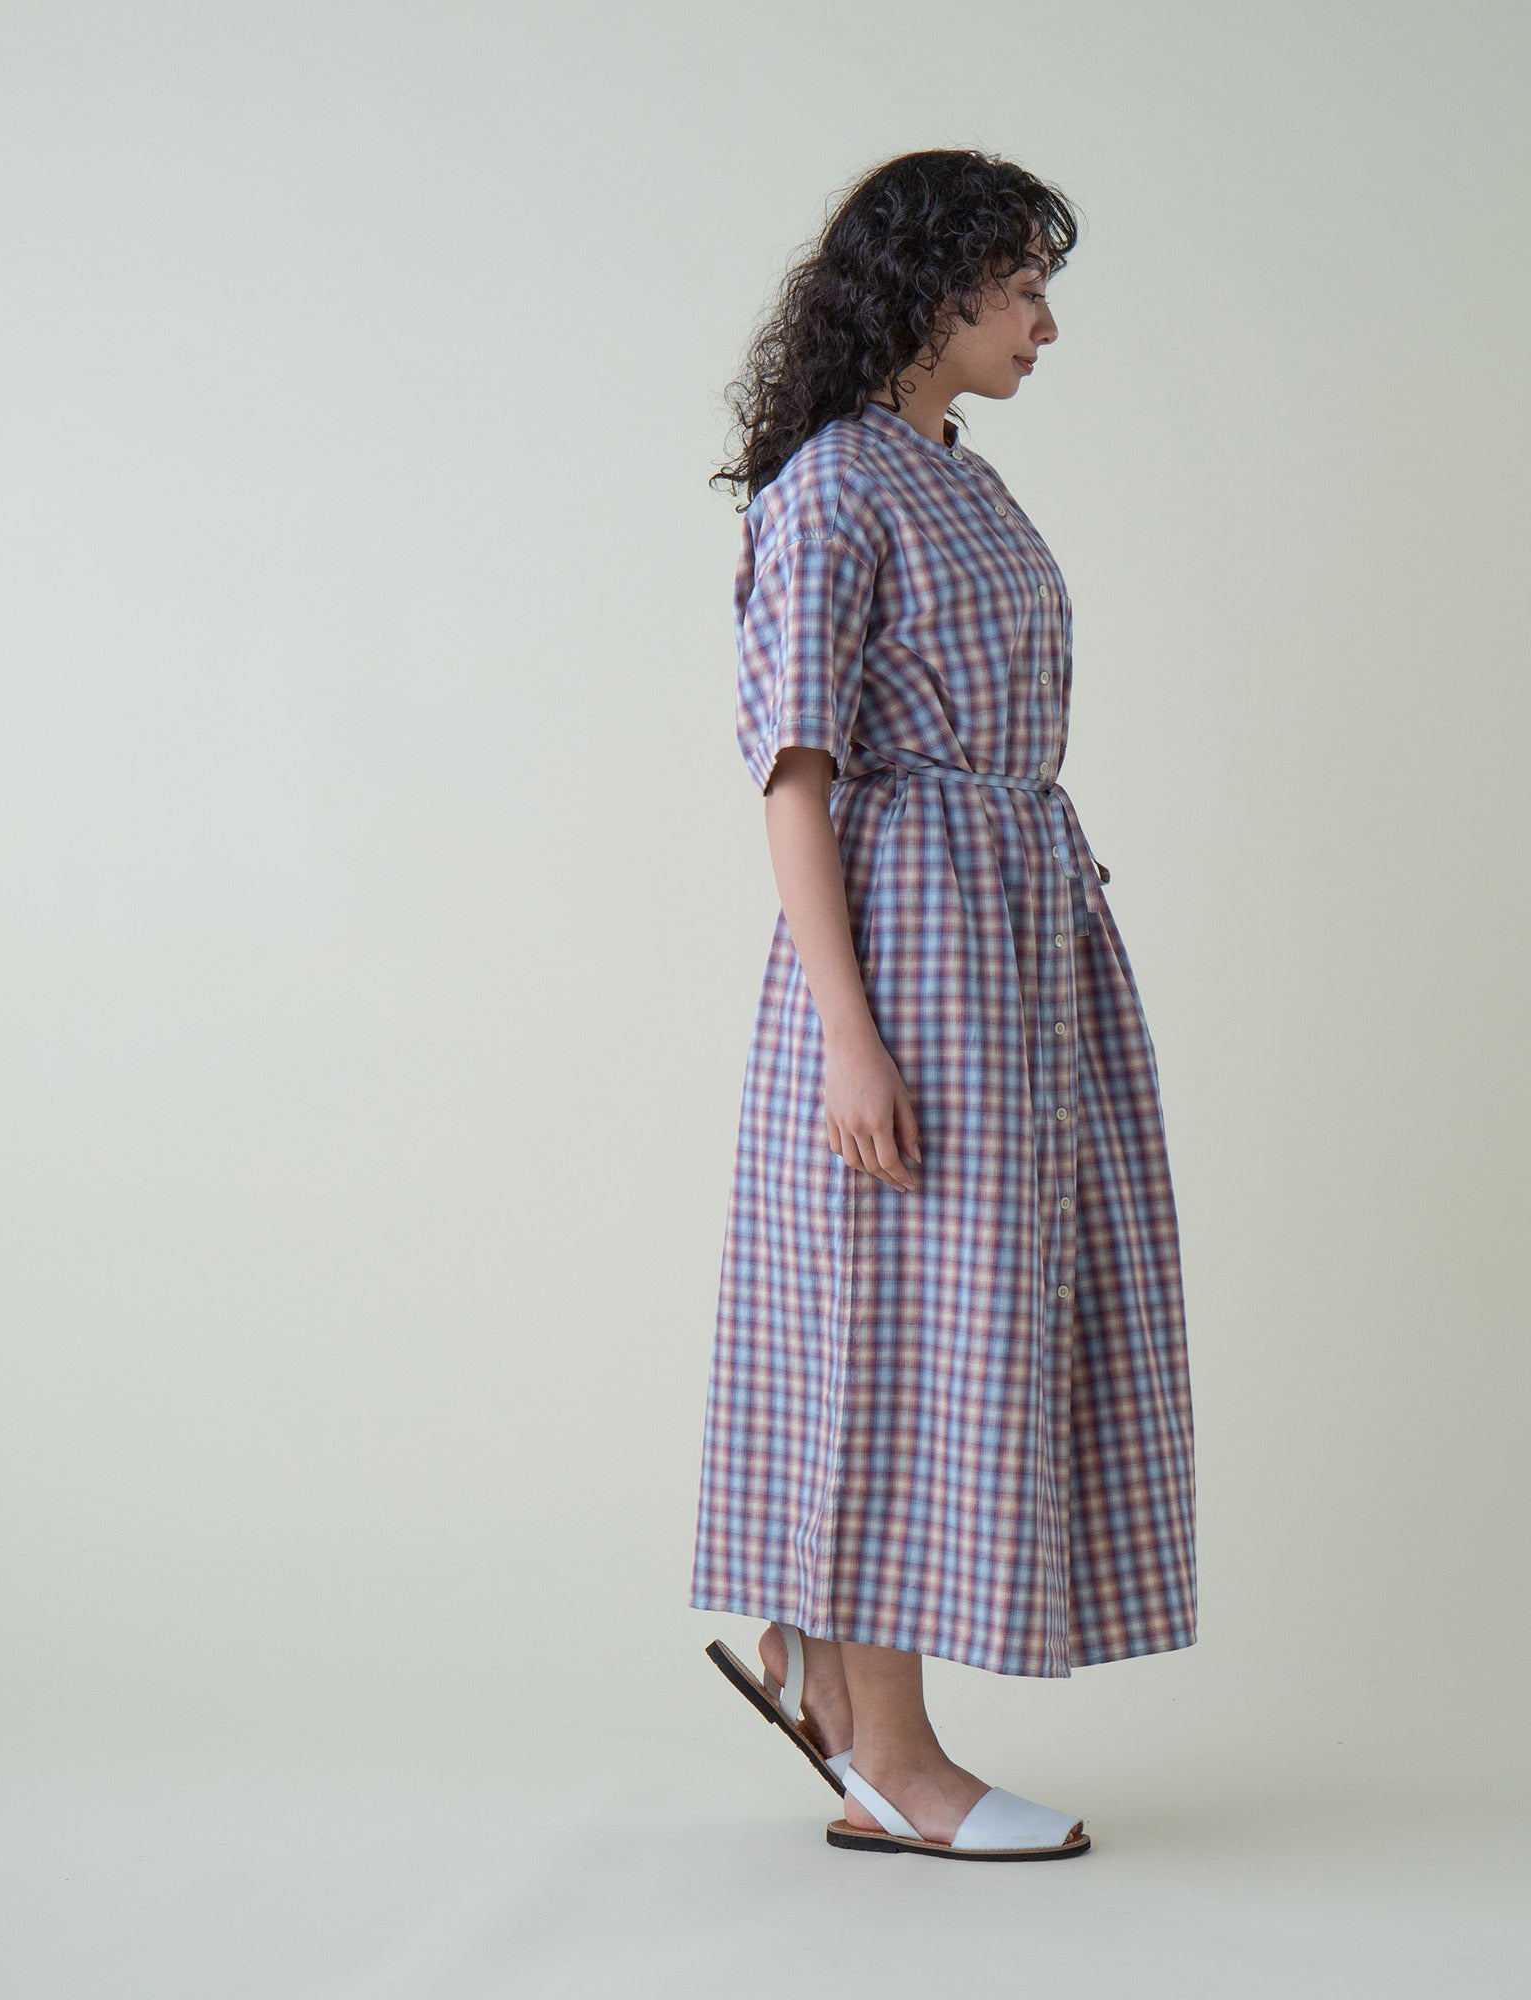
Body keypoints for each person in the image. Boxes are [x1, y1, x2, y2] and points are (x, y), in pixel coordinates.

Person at [689, 149, 1196, 1862]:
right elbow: (795, 774)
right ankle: (890, 1759)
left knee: (958, 1319)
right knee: (896, 1327)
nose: (1047, 323)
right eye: (1024, 287)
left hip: (1010, 944)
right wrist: (851, 1034)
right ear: (933, 291)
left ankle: (825, 1672)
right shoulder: (836, 486)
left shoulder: (950, 470)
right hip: (908, 951)